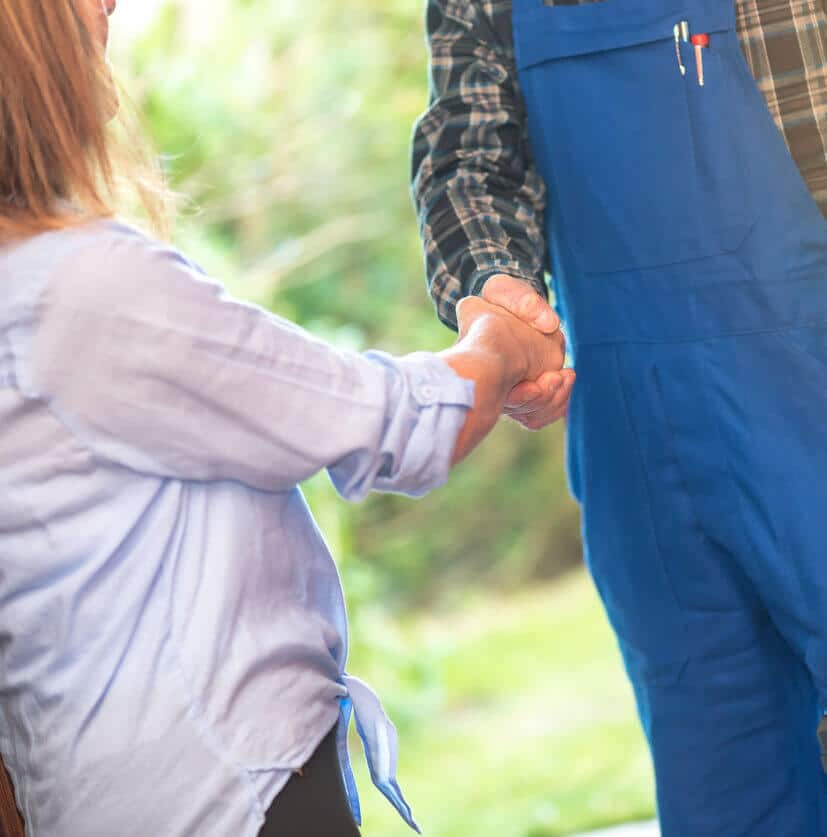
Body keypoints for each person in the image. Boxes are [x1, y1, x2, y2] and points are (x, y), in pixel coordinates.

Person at [0, 1, 569, 835]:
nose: (108, 3)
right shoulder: (83, 290)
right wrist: (501, 339)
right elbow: (390, 425)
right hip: (223, 797)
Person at [413, 0, 827, 834]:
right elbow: (468, 155)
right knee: (726, 785)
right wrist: (499, 296)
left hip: (808, 389)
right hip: (641, 448)